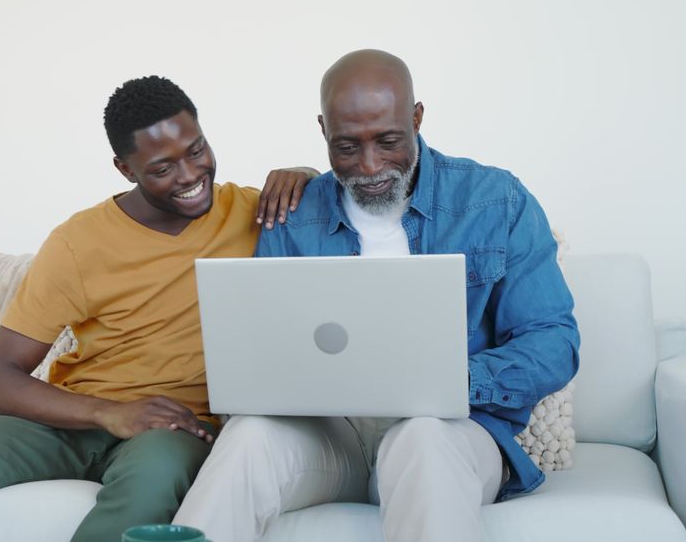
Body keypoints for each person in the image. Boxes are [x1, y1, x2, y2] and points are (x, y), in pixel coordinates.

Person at [0, 75, 317, 542]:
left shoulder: (256, 214)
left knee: (151, 482)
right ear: (125, 169)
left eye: (196, 150)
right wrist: (109, 413)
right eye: (162, 168)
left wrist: (307, 175)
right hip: (76, 419)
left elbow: (331, 207)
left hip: (174, 427)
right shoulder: (78, 242)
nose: (190, 175)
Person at [173, 50, 581, 542]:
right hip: (332, 440)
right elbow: (264, 347)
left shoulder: (495, 200)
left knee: (422, 439)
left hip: (450, 431)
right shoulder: (293, 215)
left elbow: (553, 342)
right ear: (323, 131)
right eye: (346, 147)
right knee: (248, 437)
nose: (369, 166)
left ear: (417, 118)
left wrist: (447, 380)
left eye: (388, 141)